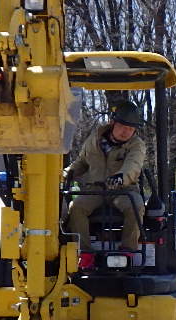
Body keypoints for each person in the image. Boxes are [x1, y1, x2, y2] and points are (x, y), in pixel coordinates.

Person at [63, 101, 146, 253]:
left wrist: (120, 177)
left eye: (131, 129)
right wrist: (66, 174)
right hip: (95, 190)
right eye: (123, 126)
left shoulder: (136, 145)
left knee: (136, 206)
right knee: (76, 207)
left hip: (123, 190)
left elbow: (133, 165)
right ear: (112, 122)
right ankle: (84, 253)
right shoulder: (94, 140)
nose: (126, 132)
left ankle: (128, 250)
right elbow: (81, 162)